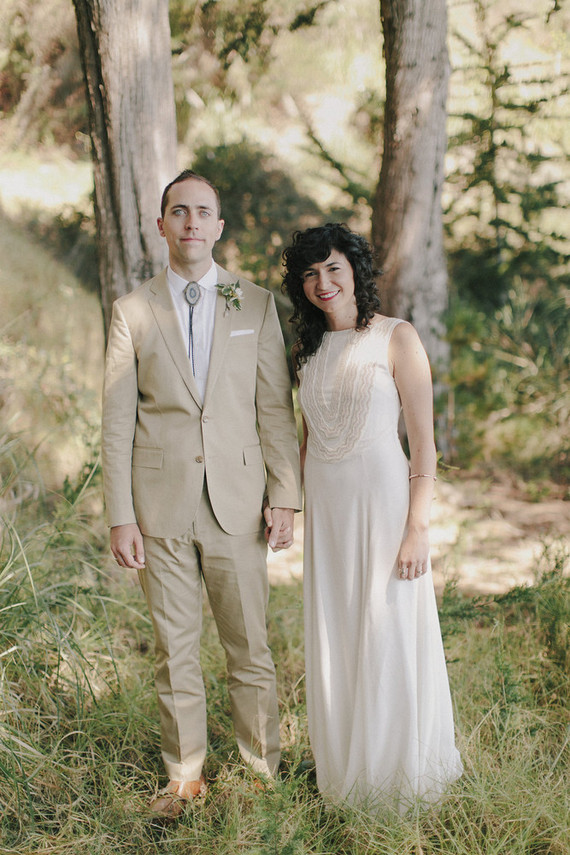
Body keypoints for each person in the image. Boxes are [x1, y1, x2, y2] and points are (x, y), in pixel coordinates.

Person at [102, 170, 302, 818]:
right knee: (174, 648)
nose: (191, 222)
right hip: (159, 507)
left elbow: (274, 409)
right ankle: (184, 777)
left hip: (239, 506)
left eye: (203, 212)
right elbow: (115, 420)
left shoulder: (259, 304)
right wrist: (119, 516)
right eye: (178, 211)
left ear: (219, 227)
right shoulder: (131, 311)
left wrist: (285, 496)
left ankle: (259, 768)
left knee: (250, 646)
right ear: (161, 225)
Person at [282, 223, 462, 815]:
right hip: (329, 515)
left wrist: (418, 527)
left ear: (356, 270)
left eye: (333, 268)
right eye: (310, 274)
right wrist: (286, 508)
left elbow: (424, 446)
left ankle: (399, 782)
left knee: (387, 631)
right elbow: (309, 440)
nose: (322, 283)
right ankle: (346, 777)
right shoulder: (306, 352)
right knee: (339, 633)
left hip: (385, 509)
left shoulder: (396, 338)